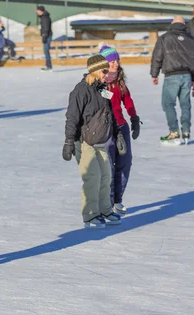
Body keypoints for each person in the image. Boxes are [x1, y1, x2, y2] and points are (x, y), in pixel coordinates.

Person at [63, 54, 123, 229]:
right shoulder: (80, 90)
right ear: (94, 71)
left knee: (106, 176)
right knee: (93, 177)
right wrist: (68, 142)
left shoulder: (103, 90)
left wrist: (118, 134)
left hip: (101, 140)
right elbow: (71, 118)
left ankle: (104, 210)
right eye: (104, 70)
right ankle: (90, 215)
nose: (107, 74)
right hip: (84, 141)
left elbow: (110, 114)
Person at [99, 45, 140, 215]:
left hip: (121, 126)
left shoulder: (120, 81)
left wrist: (134, 118)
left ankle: (117, 200)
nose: (116, 64)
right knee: (108, 167)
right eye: (112, 61)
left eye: (117, 60)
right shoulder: (98, 83)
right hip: (105, 128)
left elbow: (128, 101)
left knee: (125, 164)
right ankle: (107, 203)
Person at [151, 16, 194, 145]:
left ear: (172, 23)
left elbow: (157, 56)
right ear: (184, 24)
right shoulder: (192, 39)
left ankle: (174, 131)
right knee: (185, 104)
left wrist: (154, 74)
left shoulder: (164, 38)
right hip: (187, 76)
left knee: (168, 104)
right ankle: (186, 131)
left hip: (172, 75)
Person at [37, 6, 53, 71]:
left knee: (46, 51)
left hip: (47, 36)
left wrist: (44, 36)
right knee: (46, 51)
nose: (36, 12)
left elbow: (46, 28)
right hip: (46, 35)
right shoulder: (44, 17)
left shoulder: (45, 18)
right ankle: (47, 66)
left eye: (37, 11)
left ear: (41, 11)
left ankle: (49, 66)